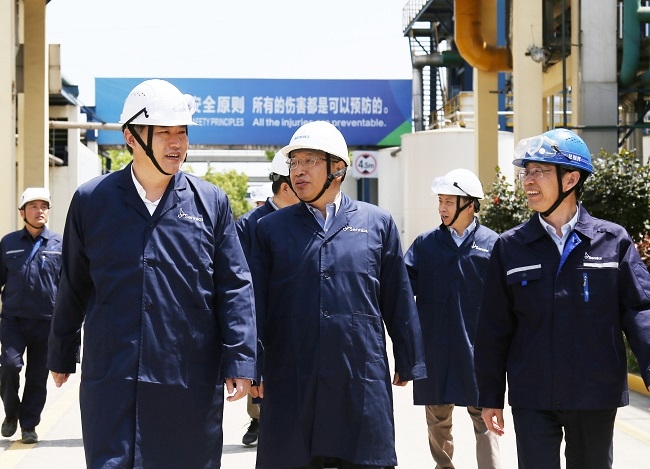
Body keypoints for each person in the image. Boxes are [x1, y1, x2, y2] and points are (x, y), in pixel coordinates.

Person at [47, 79, 257, 468]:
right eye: (163, 133)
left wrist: (241, 359)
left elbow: (234, 286)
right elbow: (73, 282)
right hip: (113, 376)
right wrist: (61, 350)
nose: (176, 143)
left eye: (182, 132)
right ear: (131, 137)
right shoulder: (92, 201)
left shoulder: (210, 203)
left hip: (187, 378)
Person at [249, 120, 426, 469]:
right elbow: (255, 304)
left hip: (358, 374)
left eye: (309, 161)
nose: (298, 171)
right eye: (294, 162)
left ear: (338, 169)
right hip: (293, 375)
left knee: (364, 456)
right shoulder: (269, 229)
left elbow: (398, 296)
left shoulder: (377, 224)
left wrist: (409, 357)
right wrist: (252, 364)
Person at [474, 128, 650, 469]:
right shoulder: (510, 247)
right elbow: (494, 326)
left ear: (570, 179)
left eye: (539, 171)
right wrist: (490, 395)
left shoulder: (612, 241)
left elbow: (640, 309)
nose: (528, 180)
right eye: (526, 172)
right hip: (533, 395)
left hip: (595, 392)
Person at [404, 168, 501, 469]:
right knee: (437, 421)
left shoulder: (493, 244)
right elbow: (402, 292)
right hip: (436, 351)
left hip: (478, 351)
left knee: (485, 420)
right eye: (440, 201)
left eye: (449, 201)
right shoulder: (426, 244)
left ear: (469, 205)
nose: (441, 208)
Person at [236, 150, 300, 446]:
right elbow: (239, 291)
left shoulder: (309, 220)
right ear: (285, 187)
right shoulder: (249, 226)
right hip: (265, 333)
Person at [0, 188, 61, 445]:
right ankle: (11, 412)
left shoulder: (60, 244)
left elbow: (68, 285)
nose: (40, 211)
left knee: (37, 376)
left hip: (46, 321)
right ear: (22, 213)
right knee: (10, 365)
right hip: (13, 320)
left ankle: (29, 425)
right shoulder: (8, 243)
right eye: (33, 207)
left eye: (44, 206)